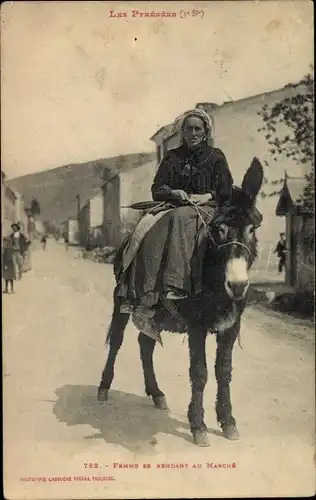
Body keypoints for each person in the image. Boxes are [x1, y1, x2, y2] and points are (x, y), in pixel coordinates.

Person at [116, 108, 233, 319]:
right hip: (175, 207)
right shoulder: (172, 157)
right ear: (183, 132)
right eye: (189, 129)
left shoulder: (216, 157)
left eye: (198, 129)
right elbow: (157, 189)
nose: (193, 133)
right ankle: (137, 292)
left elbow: (226, 189)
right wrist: (173, 192)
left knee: (182, 219)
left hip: (209, 208)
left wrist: (207, 196)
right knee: (144, 229)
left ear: (205, 132)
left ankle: (177, 284)